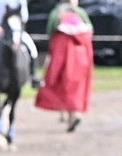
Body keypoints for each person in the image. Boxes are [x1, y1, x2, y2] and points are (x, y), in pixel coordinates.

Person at [34, 0, 94, 133]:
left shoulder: (57, 13)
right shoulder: (81, 13)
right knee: (77, 86)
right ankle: (74, 114)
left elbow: (50, 30)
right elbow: (90, 31)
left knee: (61, 83)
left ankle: (66, 114)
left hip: (61, 55)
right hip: (81, 56)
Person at [0, 1, 41, 87]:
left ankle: (34, 75)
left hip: (15, 29)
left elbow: (24, 13)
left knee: (32, 48)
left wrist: (18, 23)